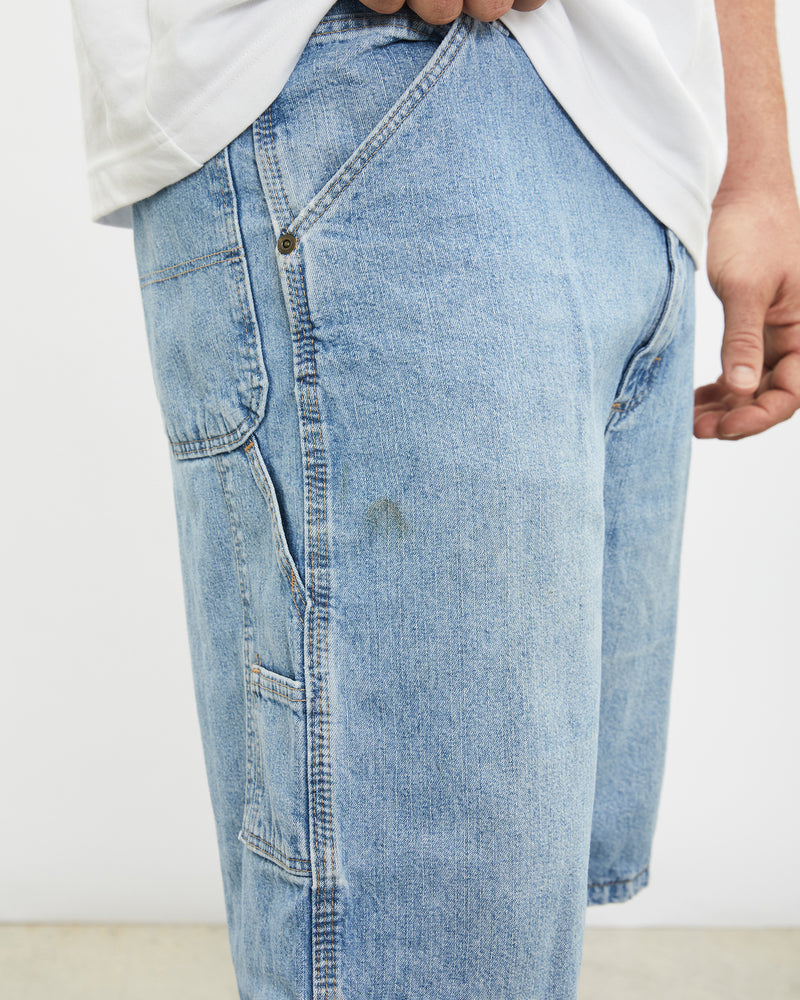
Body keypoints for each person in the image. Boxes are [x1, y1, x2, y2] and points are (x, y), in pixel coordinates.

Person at [69, 1, 800, 998]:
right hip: (380, 85)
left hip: (646, 140)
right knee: (427, 953)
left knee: (509, 926)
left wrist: (752, 160)